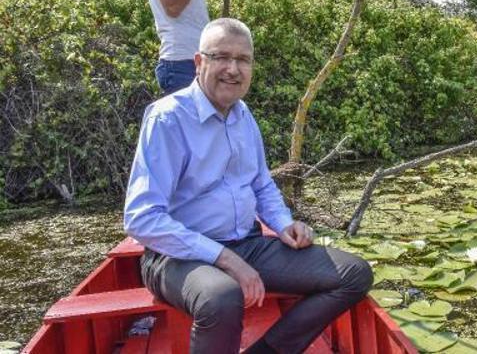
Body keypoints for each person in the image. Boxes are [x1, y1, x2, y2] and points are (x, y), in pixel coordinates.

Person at [123, 18, 373, 354]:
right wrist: (224, 258)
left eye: (243, 60)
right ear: (199, 63)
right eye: (221, 57)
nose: (233, 69)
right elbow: (141, 218)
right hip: (176, 257)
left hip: (247, 243)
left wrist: (284, 224)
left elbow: (261, 184)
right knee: (221, 297)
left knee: (353, 274)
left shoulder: (243, 116)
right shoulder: (167, 119)